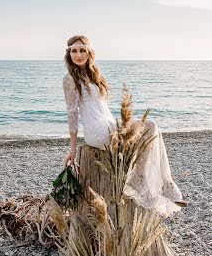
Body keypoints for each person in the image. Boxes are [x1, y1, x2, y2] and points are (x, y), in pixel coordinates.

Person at [62, 34, 186, 218]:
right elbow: (72, 115)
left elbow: (103, 108)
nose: (78, 55)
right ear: (69, 54)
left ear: (89, 53)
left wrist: (121, 126)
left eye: (82, 50)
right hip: (97, 132)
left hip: (110, 124)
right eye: (74, 51)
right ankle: (143, 182)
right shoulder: (69, 79)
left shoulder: (94, 75)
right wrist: (72, 149)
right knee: (148, 128)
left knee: (151, 127)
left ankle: (146, 180)